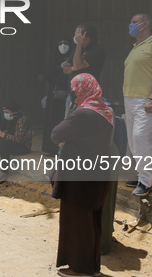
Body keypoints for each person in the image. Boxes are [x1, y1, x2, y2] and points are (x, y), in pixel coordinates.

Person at [50, 73, 114, 277]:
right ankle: (90, 265)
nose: (73, 94)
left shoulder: (82, 114)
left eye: (74, 89)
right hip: (97, 174)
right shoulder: (105, 111)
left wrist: (66, 139)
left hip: (79, 175)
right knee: (90, 221)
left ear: (83, 89)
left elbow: (56, 134)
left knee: (78, 222)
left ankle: (80, 268)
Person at [123, 13, 152, 196]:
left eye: (134, 22)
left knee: (141, 137)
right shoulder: (135, 47)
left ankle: (146, 182)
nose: (130, 25)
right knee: (135, 141)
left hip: (148, 99)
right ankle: (143, 175)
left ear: (145, 24)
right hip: (131, 99)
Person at [0, 99, 32, 183]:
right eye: (4, 112)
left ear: (14, 111)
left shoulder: (22, 119)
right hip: (9, 144)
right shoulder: (7, 119)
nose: (6, 114)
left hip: (22, 146)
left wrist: (2, 134)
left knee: (3, 144)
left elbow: (18, 139)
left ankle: (4, 171)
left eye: (7, 112)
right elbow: (1, 129)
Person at [61, 23, 106, 116]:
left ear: (85, 35)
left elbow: (78, 64)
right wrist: (74, 68)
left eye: (78, 33)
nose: (75, 36)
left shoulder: (97, 51)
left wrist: (79, 45)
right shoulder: (77, 51)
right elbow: (65, 69)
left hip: (88, 96)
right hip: (72, 95)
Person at [43, 39, 72, 155]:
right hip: (54, 95)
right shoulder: (53, 60)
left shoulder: (72, 59)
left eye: (66, 44)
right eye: (60, 44)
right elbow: (47, 74)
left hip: (68, 94)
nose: (63, 46)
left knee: (64, 120)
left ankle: (62, 150)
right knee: (52, 120)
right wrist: (59, 67)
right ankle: (51, 148)